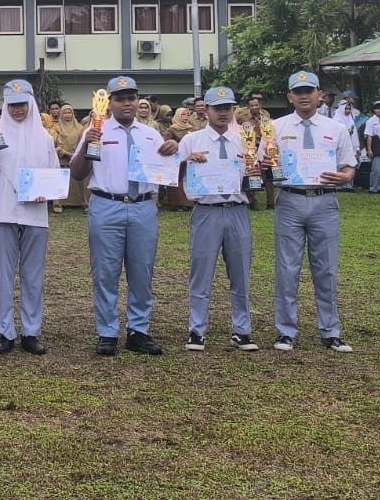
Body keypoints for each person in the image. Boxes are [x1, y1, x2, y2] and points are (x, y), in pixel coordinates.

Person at [69, 75, 178, 356]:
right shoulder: (97, 131)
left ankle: (138, 331)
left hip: (143, 206)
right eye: (120, 99)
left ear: (138, 101)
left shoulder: (150, 134)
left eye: (131, 98)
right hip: (106, 205)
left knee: (142, 271)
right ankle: (107, 332)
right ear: (110, 103)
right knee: (105, 272)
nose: (126, 103)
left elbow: (166, 171)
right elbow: (78, 173)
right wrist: (87, 145)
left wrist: (172, 151)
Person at [263, 70, 357, 353]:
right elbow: (261, 168)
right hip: (290, 200)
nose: (304, 96)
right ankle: (285, 331)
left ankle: (330, 331)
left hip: (324, 202)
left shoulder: (336, 128)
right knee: (287, 268)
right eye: (298, 91)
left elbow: (349, 166)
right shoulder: (275, 128)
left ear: (319, 95)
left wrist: (346, 177)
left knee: (326, 268)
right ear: (290, 96)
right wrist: (266, 165)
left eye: (309, 90)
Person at [0, 79, 54, 355]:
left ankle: (31, 332)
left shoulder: (44, 138)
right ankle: (4, 332)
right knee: (4, 276)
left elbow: (53, 176)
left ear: (31, 103)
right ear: (5, 106)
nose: (18, 110)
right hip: (4, 212)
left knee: (33, 277)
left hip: (35, 214)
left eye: (22, 104)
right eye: (12, 105)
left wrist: (47, 191)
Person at [175, 86, 257, 351]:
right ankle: (197, 330)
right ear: (206, 110)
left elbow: (257, 178)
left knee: (241, 272)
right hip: (206, 211)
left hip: (237, 209)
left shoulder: (244, 139)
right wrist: (185, 161)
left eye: (228, 108)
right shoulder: (191, 139)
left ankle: (242, 330)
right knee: (201, 272)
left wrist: (256, 166)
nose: (223, 113)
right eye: (217, 108)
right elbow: (172, 173)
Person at [53, 103, 86, 210]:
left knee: (77, 180)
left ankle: (79, 201)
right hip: (62, 158)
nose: (67, 115)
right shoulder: (56, 127)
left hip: (76, 157)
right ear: (61, 115)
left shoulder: (79, 127)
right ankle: (60, 203)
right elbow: (56, 142)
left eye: (69, 113)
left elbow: (83, 141)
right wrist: (66, 153)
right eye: (65, 113)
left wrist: (78, 154)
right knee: (61, 180)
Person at [363, 100, 380, 193]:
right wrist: (369, 149)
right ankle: (373, 188)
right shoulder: (370, 121)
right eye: (377, 108)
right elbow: (369, 136)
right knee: (376, 168)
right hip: (376, 146)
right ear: (374, 110)